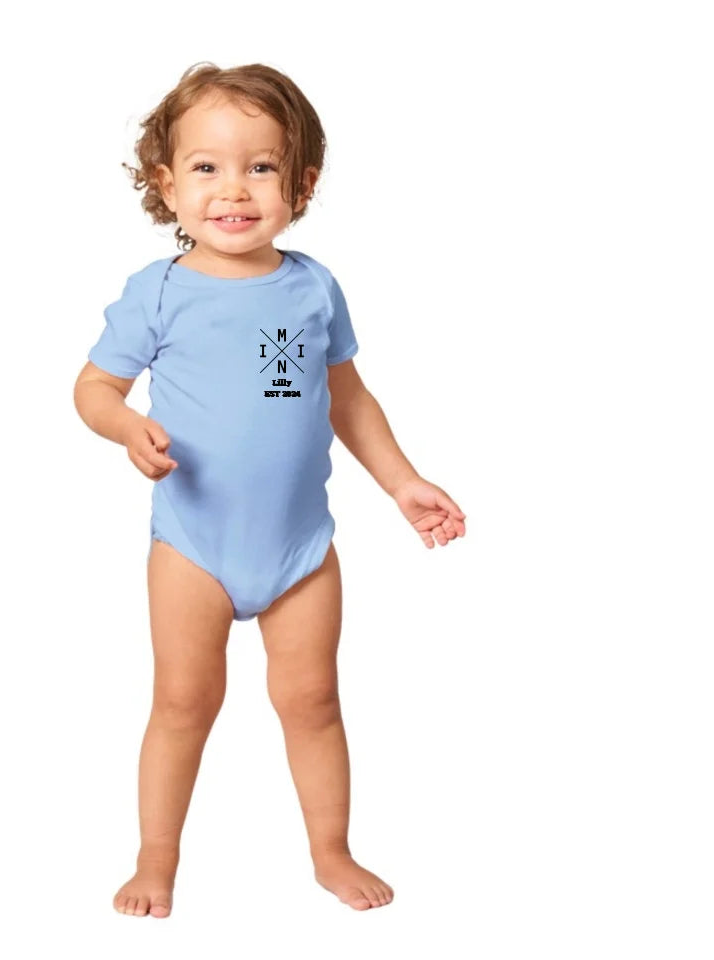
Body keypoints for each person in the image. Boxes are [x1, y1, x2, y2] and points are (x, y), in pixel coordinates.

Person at [74, 61, 467, 918]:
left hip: (300, 548)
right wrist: (126, 428)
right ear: (167, 184)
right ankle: (154, 860)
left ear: (303, 184)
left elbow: (347, 398)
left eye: (261, 166)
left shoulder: (313, 286)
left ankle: (331, 851)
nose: (234, 189)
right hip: (194, 546)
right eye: (206, 167)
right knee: (182, 704)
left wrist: (402, 483)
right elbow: (94, 388)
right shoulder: (159, 292)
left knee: (314, 701)